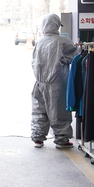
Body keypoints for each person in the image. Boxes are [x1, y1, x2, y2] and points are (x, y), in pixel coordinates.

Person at [31, 13, 77, 149]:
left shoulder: (39, 41)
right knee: (59, 111)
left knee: (39, 110)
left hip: (39, 82)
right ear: (57, 25)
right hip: (58, 82)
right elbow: (74, 58)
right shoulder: (63, 41)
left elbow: (33, 61)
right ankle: (62, 139)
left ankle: (38, 138)